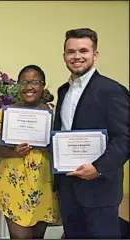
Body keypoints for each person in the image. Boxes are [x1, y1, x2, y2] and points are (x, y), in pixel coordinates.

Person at [54, 28, 129, 239]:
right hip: (68, 188)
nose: (76, 57)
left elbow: (124, 139)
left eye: (83, 51)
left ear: (95, 55)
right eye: (71, 52)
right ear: (64, 56)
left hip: (100, 189)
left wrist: (98, 168)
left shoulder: (112, 90)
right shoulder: (63, 91)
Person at [0, 65, 59, 239]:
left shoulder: (54, 113)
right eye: (24, 82)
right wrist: (14, 152)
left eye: (34, 82)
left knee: (37, 236)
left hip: (44, 184)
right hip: (14, 183)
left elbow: (63, 146)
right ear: (18, 86)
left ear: (43, 85)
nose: (29, 87)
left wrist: (49, 145)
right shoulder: (6, 113)